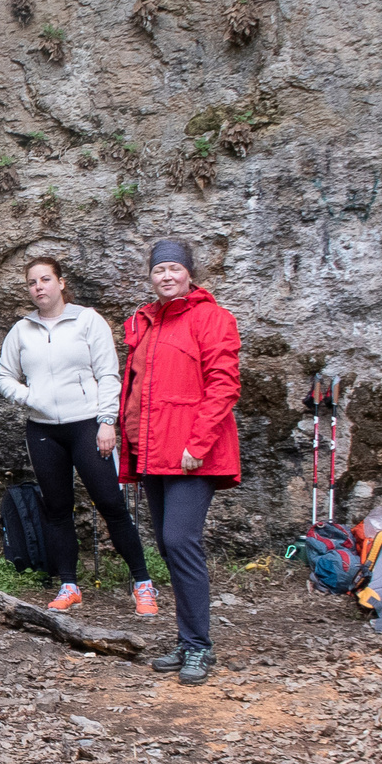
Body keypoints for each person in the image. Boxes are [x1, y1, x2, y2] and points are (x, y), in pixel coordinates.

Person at [0, 256, 157, 616]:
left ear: (61, 283)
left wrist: (106, 421)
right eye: (32, 282)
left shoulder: (87, 320)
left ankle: (143, 584)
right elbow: (4, 377)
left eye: (45, 279)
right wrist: (29, 398)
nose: (39, 287)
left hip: (87, 424)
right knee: (56, 509)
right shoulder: (21, 330)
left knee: (111, 504)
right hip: (42, 430)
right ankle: (69, 585)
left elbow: (109, 373)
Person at [117, 239, 242, 685]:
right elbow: (137, 390)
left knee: (180, 540)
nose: (166, 276)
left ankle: (199, 648)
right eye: (158, 270)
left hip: (191, 455)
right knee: (170, 547)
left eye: (173, 268)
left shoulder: (213, 319)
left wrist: (199, 443)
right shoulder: (146, 322)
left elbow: (223, 385)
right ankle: (188, 640)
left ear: (190, 273)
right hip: (153, 451)